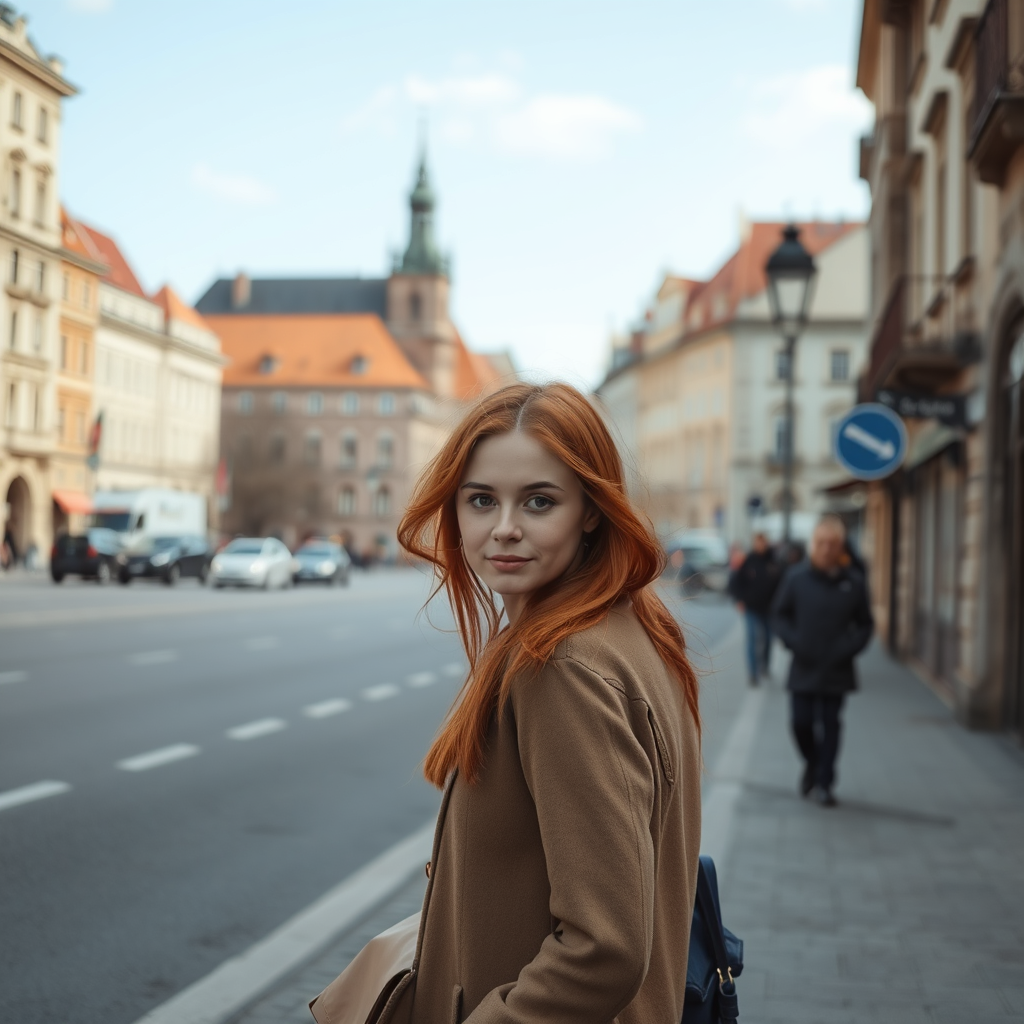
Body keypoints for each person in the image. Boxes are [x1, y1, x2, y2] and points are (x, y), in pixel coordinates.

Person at [396, 382, 703, 1024]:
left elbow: (604, 948)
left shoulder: (562, 665)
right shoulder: (627, 629)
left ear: (590, 509)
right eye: (481, 500)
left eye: (539, 501)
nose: (504, 529)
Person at [771, 515, 874, 807]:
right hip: (804, 664)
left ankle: (826, 783)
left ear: (842, 546)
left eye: (833, 543)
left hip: (837, 668)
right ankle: (812, 765)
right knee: (800, 723)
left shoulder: (853, 582)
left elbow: (865, 625)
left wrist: (848, 648)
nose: (827, 548)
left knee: (831, 725)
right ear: (813, 545)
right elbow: (780, 615)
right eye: (822, 543)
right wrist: (795, 642)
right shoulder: (796, 578)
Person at [728, 532, 781, 686]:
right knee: (752, 639)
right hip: (751, 608)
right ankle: (753, 673)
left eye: (763, 542)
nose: (760, 545)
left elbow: (782, 584)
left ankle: (765, 665)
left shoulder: (773, 561)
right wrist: (739, 600)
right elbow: (735, 582)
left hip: (769, 609)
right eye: (758, 542)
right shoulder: (748, 561)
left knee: (768, 639)